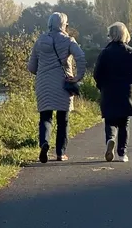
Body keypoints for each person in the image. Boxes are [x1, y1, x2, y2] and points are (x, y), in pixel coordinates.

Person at [27, 12, 87, 162]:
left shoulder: (40, 41)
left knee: (45, 117)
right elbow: (80, 57)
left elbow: (31, 67)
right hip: (63, 83)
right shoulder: (68, 41)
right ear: (63, 25)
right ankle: (60, 153)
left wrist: (43, 72)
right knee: (63, 120)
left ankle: (44, 143)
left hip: (43, 84)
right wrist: (78, 77)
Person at [92, 22, 132, 163]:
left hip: (109, 90)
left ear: (110, 35)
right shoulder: (131, 52)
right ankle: (122, 153)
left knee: (110, 120)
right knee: (124, 122)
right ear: (125, 34)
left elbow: (97, 73)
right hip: (126, 91)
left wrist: (101, 85)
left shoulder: (105, 53)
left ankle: (110, 139)